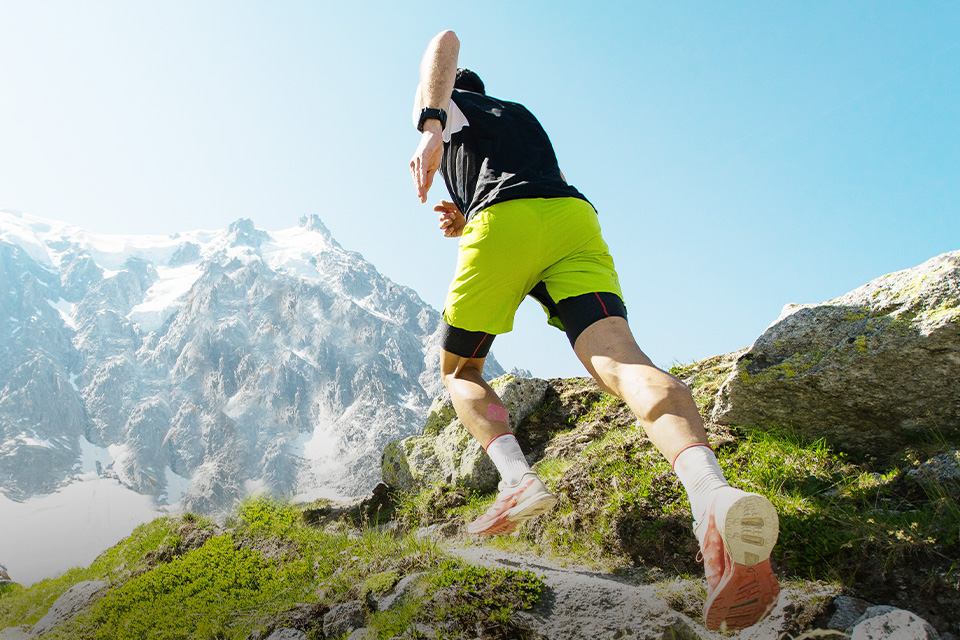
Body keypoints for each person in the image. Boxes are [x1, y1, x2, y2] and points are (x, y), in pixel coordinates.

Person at [409, 29, 781, 631]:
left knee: (461, 370)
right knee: (623, 362)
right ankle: (711, 495)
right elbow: (506, 179)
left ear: (452, 94)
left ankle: (516, 480)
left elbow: (442, 41)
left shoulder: (448, 105)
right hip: (571, 220)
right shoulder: (515, 115)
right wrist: (463, 209)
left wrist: (429, 125)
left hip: (505, 224)